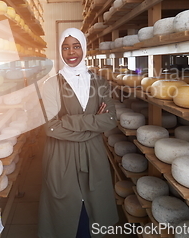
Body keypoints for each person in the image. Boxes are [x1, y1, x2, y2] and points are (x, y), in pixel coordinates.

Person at [38, 28, 119, 238]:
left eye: (76, 46)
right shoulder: (50, 85)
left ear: (83, 48)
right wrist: (93, 125)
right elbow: (51, 127)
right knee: (65, 213)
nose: (71, 52)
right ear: (60, 51)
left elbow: (110, 119)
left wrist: (67, 121)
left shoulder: (99, 82)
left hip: (93, 155)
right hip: (61, 157)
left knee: (93, 211)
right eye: (65, 47)